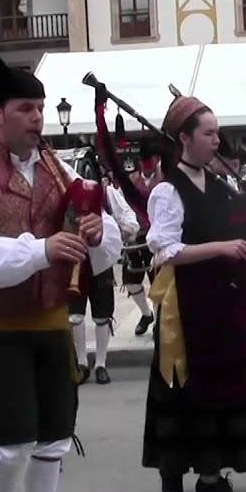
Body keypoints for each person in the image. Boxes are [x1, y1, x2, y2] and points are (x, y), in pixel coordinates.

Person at [0, 42, 121, 492]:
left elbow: (108, 245)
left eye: (40, 108)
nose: (37, 117)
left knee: (54, 440)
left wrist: (97, 233)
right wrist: (41, 250)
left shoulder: (60, 171)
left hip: (51, 321)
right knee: (13, 442)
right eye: (26, 108)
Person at [142, 91, 246, 492]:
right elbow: (164, 250)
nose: (217, 140)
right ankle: (181, 468)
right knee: (192, 386)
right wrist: (222, 247)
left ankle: (210, 475)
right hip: (187, 303)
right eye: (208, 133)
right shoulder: (168, 191)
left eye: (217, 133)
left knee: (221, 386)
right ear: (184, 139)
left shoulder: (219, 185)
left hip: (225, 298)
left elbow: (231, 232)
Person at [70, 165, 139, 385]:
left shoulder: (108, 194)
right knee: (75, 316)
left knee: (102, 315)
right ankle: (82, 363)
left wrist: (117, 231)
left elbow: (130, 219)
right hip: (74, 261)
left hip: (101, 262)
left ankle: (101, 364)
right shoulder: (65, 192)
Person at [123, 139, 163, 336]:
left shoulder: (165, 180)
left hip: (158, 236)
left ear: (157, 160)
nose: (147, 166)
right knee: (131, 280)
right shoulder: (131, 181)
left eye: (151, 161)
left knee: (158, 281)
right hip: (136, 235)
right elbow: (124, 207)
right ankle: (146, 314)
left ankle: (158, 321)